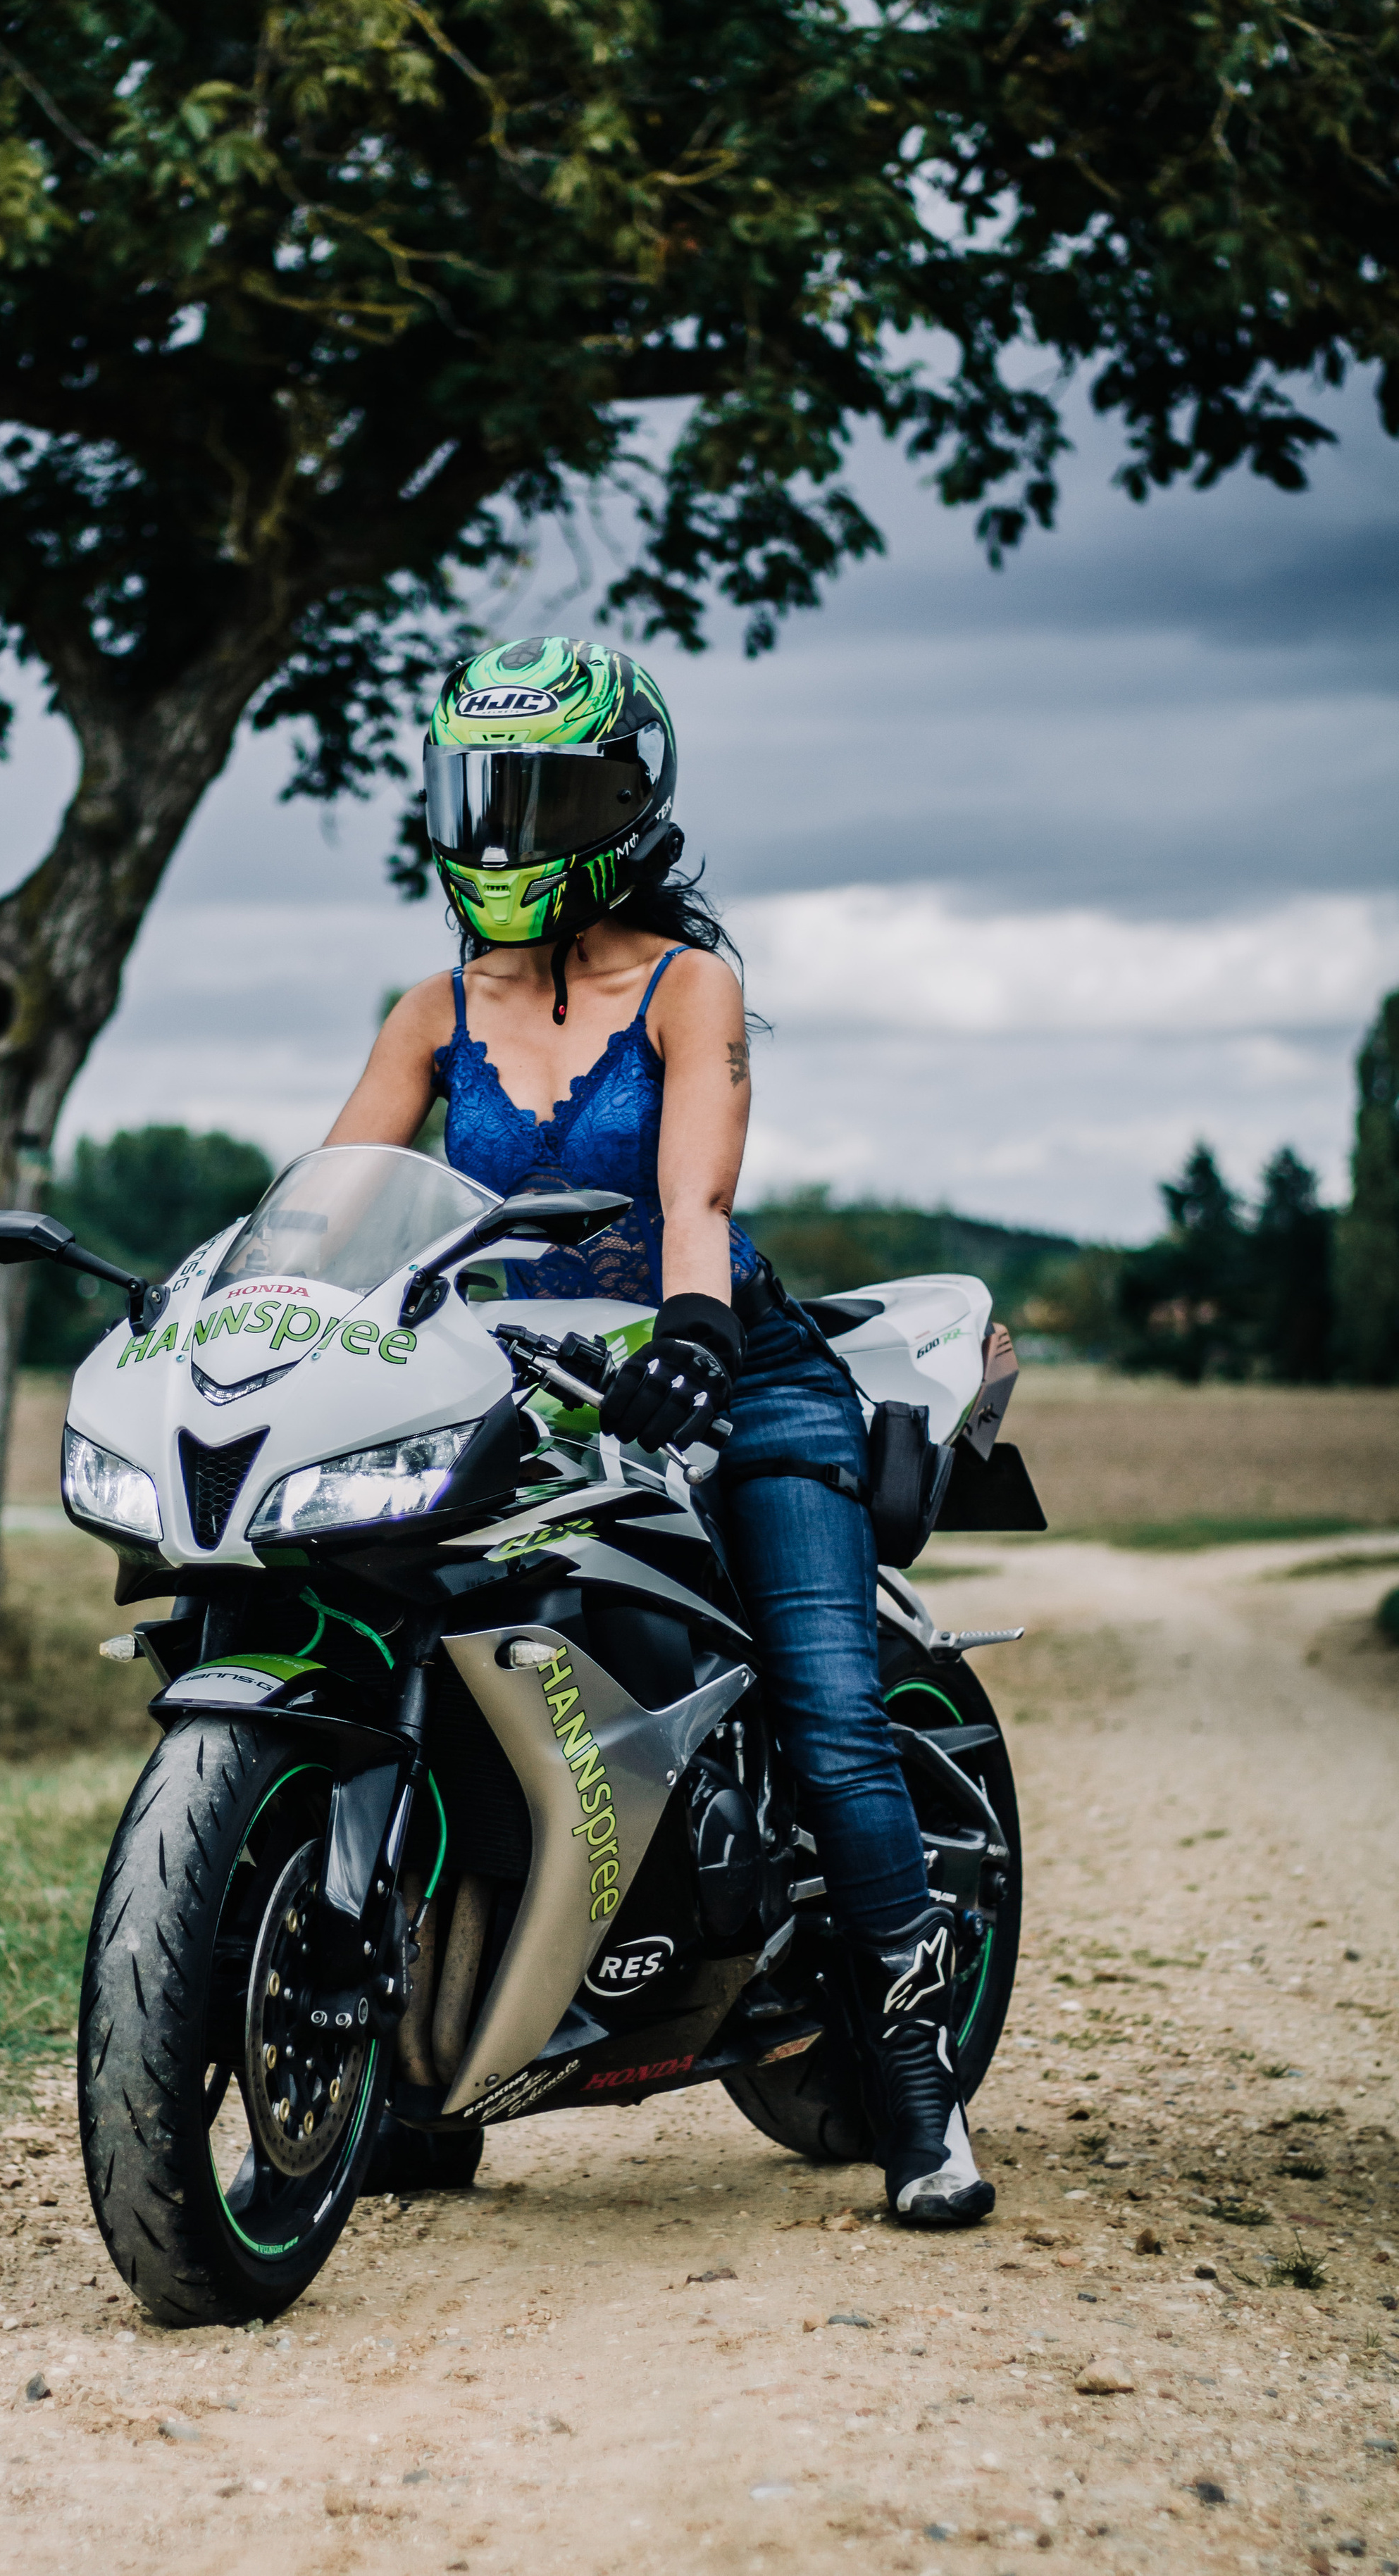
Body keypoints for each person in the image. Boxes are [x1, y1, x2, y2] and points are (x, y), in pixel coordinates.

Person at [327, 635, 993, 2228]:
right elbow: (345, 1196)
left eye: (537, 796)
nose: (499, 831)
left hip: (729, 1371)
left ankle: (915, 2106)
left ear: (622, 803)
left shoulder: (693, 986)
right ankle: (428, 2080)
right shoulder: (433, 1007)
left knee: (828, 1716)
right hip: (520, 1377)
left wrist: (692, 1335)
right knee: (427, 1654)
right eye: (480, 794)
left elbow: (692, 1196)